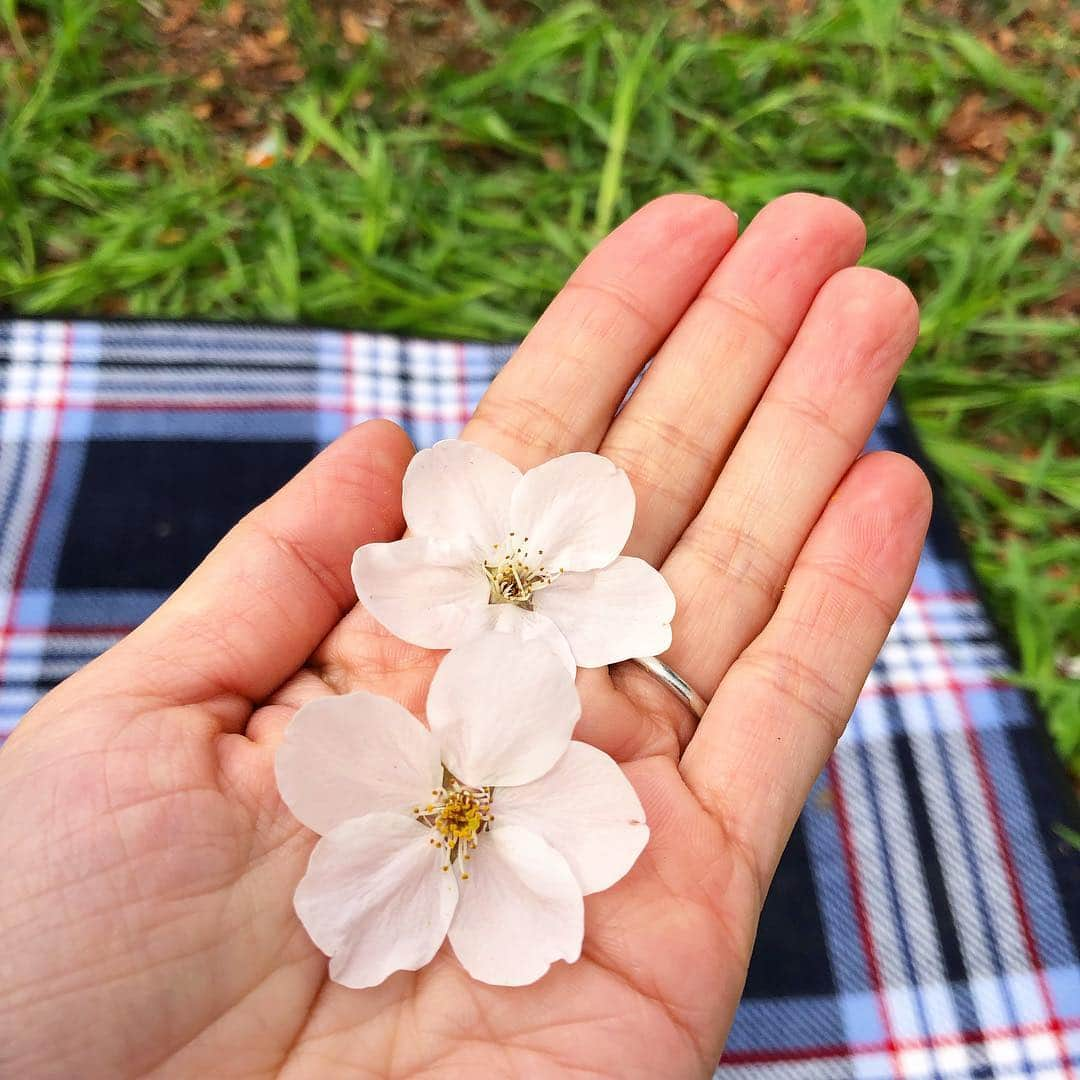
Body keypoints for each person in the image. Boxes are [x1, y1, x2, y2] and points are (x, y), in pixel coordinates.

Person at [0, 193, 929, 1078]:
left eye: (458, 814)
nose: (458, 815)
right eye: (460, 815)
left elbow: (569, 748)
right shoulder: (411, 725)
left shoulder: (510, 684)